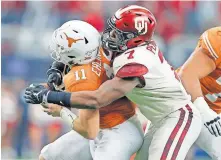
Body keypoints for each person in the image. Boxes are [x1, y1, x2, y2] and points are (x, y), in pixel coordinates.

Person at [24, 5, 202, 160]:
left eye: (119, 34)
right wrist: (57, 70)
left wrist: (51, 97)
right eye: (113, 29)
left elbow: (97, 99)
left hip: (177, 116)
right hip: (153, 119)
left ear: (135, 39)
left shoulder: (138, 61)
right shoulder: (122, 47)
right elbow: (82, 45)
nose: (111, 36)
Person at [27, 20, 143, 160]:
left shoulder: (82, 79)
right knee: (48, 156)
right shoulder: (100, 46)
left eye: (61, 50)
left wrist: (61, 111)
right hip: (113, 121)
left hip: (118, 131)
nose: (58, 55)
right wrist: (55, 78)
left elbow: (89, 131)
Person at [178, 26, 221, 160]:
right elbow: (186, 74)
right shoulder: (218, 40)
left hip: (215, 111)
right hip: (182, 104)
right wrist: (205, 112)